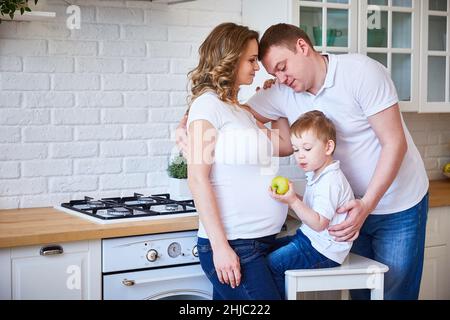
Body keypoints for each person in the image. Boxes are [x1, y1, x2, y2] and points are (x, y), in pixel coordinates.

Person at [177, 22, 429, 300]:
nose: (278, 77)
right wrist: (185, 125)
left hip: (396, 202)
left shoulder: (361, 72)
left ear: (302, 47)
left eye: (282, 67)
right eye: (271, 70)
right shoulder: (274, 92)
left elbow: (394, 143)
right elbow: (215, 115)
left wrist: (366, 205)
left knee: (393, 293)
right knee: (362, 294)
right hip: (340, 212)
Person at [185, 22, 291, 300]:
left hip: (261, 242)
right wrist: (221, 247)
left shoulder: (240, 110)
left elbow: (285, 145)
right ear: (229, 58)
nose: (258, 68)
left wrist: (277, 98)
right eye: (252, 60)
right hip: (234, 245)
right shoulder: (206, 106)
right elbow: (197, 178)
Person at [268, 110, 354, 299]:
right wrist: (291, 198)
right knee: (265, 248)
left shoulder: (331, 181)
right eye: (296, 149)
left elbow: (319, 223)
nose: (300, 156)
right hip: (309, 240)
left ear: (328, 147)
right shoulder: (318, 174)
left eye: (307, 149)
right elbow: (312, 209)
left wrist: (292, 201)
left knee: (273, 263)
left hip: (324, 250)